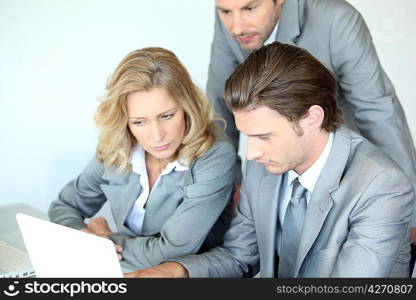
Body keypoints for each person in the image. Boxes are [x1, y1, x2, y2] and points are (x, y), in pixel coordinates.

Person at [125, 42, 414, 278]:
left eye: (264, 136)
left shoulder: (382, 186)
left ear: (312, 118)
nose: (251, 153)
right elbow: (240, 256)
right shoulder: (264, 165)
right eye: (248, 136)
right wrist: (173, 272)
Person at [208, 0, 416, 237]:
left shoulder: (336, 20)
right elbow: (219, 105)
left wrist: (409, 211)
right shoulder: (234, 14)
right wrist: (230, 181)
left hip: (340, 162)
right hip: (280, 164)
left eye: (250, 8)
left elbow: (377, 110)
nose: (236, 28)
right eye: (225, 12)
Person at [48, 47, 236, 270]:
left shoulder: (215, 155)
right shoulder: (117, 147)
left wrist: (106, 242)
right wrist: (84, 236)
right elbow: (64, 207)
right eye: (139, 122)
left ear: (187, 107)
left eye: (167, 116)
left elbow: (172, 251)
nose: (156, 136)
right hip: (123, 271)